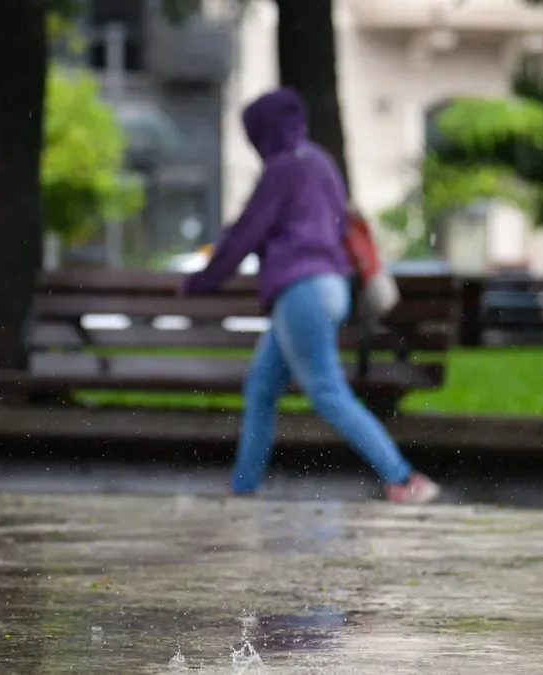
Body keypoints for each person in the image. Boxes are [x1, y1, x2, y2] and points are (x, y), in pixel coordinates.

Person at [180, 88, 441, 504]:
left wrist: (200, 281)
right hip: (332, 286)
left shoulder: (282, 170)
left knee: (326, 390)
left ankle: (404, 478)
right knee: (262, 388)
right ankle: (244, 487)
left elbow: (245, 233)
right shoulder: (320, 162)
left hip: (302, 290)